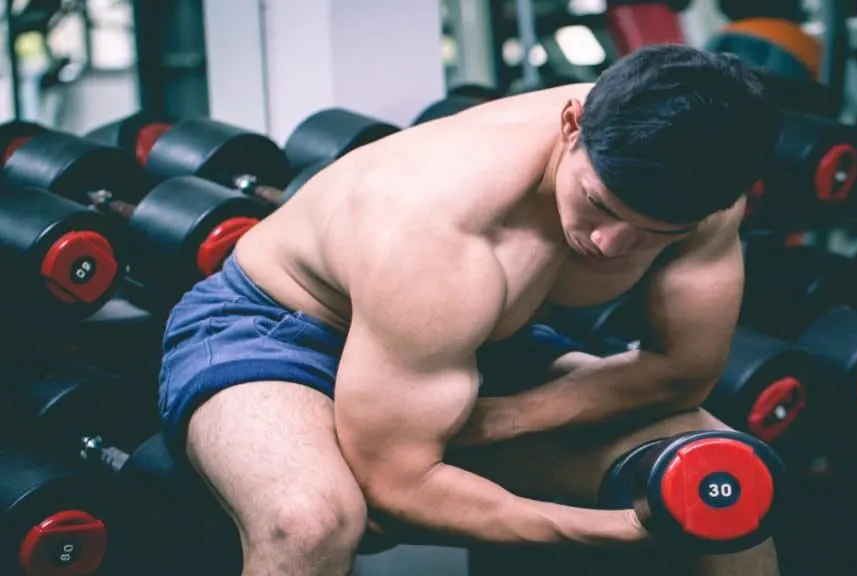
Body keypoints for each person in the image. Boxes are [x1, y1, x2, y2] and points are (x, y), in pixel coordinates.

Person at [157, 44, 782, 576]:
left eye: (656, 233)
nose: (609, 245)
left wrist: (504, 419)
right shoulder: (436, 226)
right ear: (571, 124)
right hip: (277, 331)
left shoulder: (705, 186)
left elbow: (683, 371)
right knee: (309, 522)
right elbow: (396, 490)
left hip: (471, 344)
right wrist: (620, 527)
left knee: (724, 477)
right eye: (601, 204)